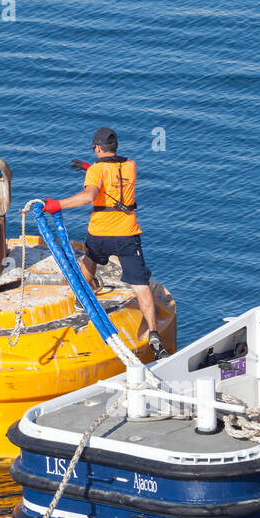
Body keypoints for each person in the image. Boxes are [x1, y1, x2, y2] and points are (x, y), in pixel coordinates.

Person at [42, 127, 167, 357]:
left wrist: (57, 204)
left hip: (100, 232)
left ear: (97, 148)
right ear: (115, 146)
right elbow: (115, 178)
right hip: (127, 232)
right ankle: (153, 333)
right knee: (140, 283)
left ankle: (82, 300)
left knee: (90, 259)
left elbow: (89, 196)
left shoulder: (97, 170)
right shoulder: (131, 165)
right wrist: (93, 169)